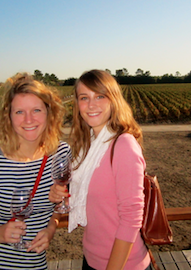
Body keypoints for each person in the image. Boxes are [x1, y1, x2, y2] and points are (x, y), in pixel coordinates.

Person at [0, 73, 71, 269]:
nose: (28, 119)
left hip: (34, 264)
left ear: (49, 113)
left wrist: (52, 226)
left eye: (36, 110)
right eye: (19, 112)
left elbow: (64, 204)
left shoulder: (61, 153)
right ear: (8, 116)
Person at [49, 69, 152, 270]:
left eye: (100, 96)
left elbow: (131, 218)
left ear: (113, 100)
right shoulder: (88, 145)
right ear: (77, 104)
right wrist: (62, 196)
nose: (92, 104)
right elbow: (92, 199)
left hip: (122, 265)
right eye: (84, 97)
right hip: (91, 259)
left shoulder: (123, 145)